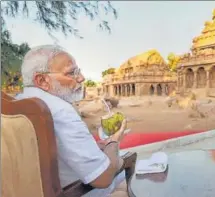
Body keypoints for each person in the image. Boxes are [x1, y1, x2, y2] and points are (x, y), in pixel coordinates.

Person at [15, 45, 132, 197]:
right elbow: (102, 178)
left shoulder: (20, 101)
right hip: (74, 191)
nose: (81, 78)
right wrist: (113, 142)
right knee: (131, 177)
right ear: (42, 80)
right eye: (72, 72)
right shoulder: (60, 110)